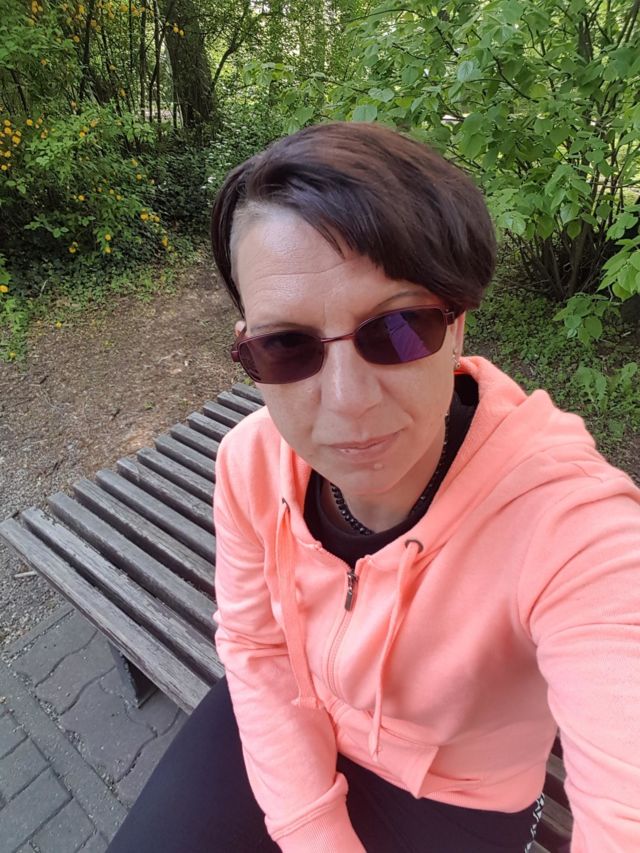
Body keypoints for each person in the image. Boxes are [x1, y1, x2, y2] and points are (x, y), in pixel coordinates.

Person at [107, 122, 640, 853]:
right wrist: (314, 831)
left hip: (454, 794)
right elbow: (257, 647)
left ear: (457, 325)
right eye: (286, 345)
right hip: (290, 708)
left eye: (397, 329)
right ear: (247, 346)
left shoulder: (570, 528)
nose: (347, 401)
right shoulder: (250, 461)